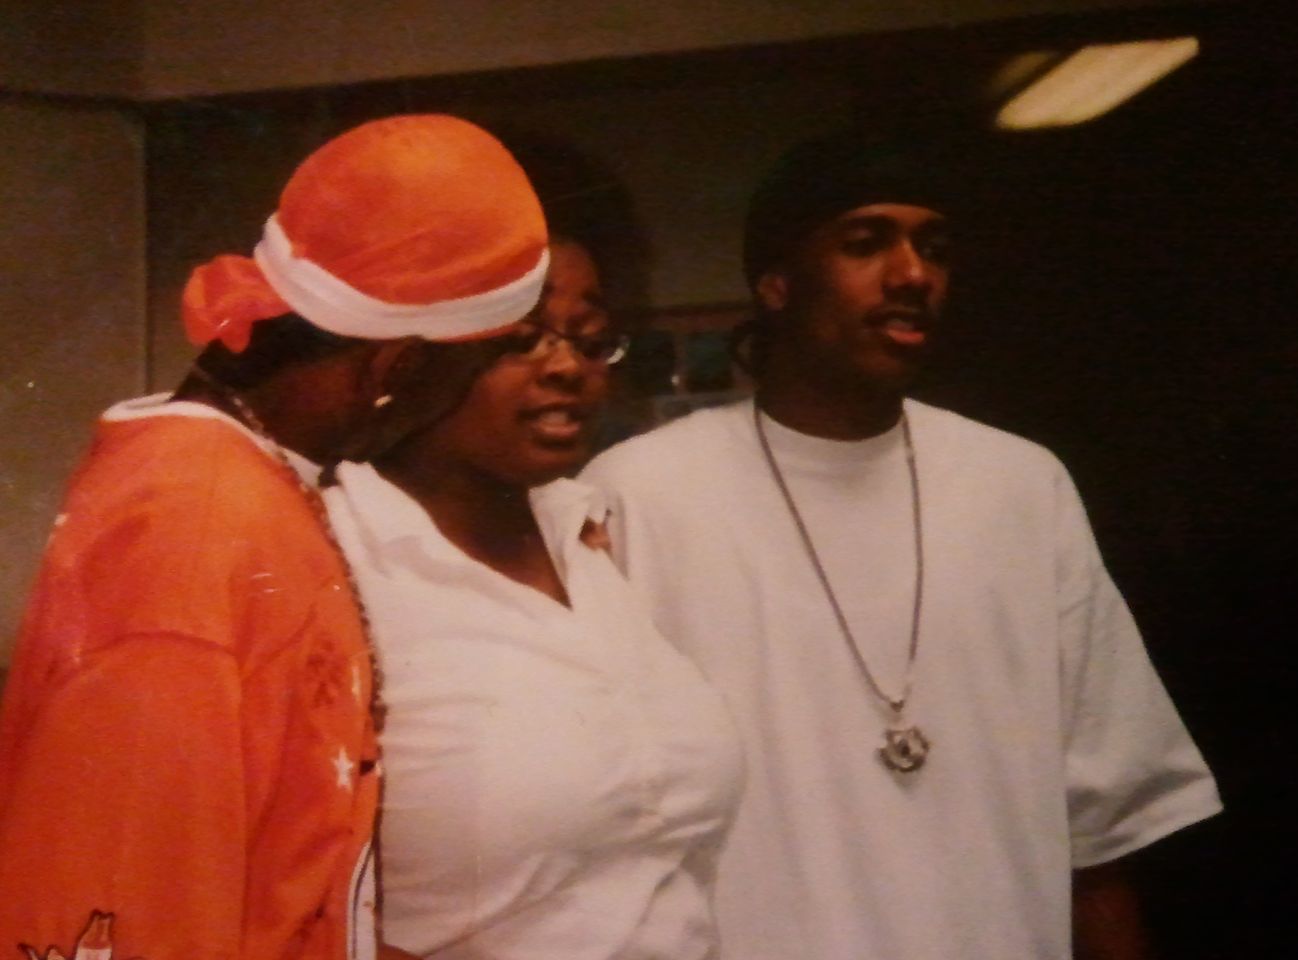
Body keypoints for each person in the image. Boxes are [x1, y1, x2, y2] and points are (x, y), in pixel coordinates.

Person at [580, 133, 1223, 960]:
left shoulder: (1020, 487)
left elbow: (1102, 826)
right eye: (865, 243)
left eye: (935, 248)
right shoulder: (639, 495)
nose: (913, 274)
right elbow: (596, 832)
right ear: (776, 283)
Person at [0, 114, 552, 960]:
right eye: (473, 370)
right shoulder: (197, 531)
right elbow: (123, 916)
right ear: (398, 367)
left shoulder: (234, 488)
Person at [322, 233, 743, 960]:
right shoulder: (340, 557)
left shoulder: (585, 536)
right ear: (416, 353)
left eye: (590, 340)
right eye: (522, 339)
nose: (568, 368)